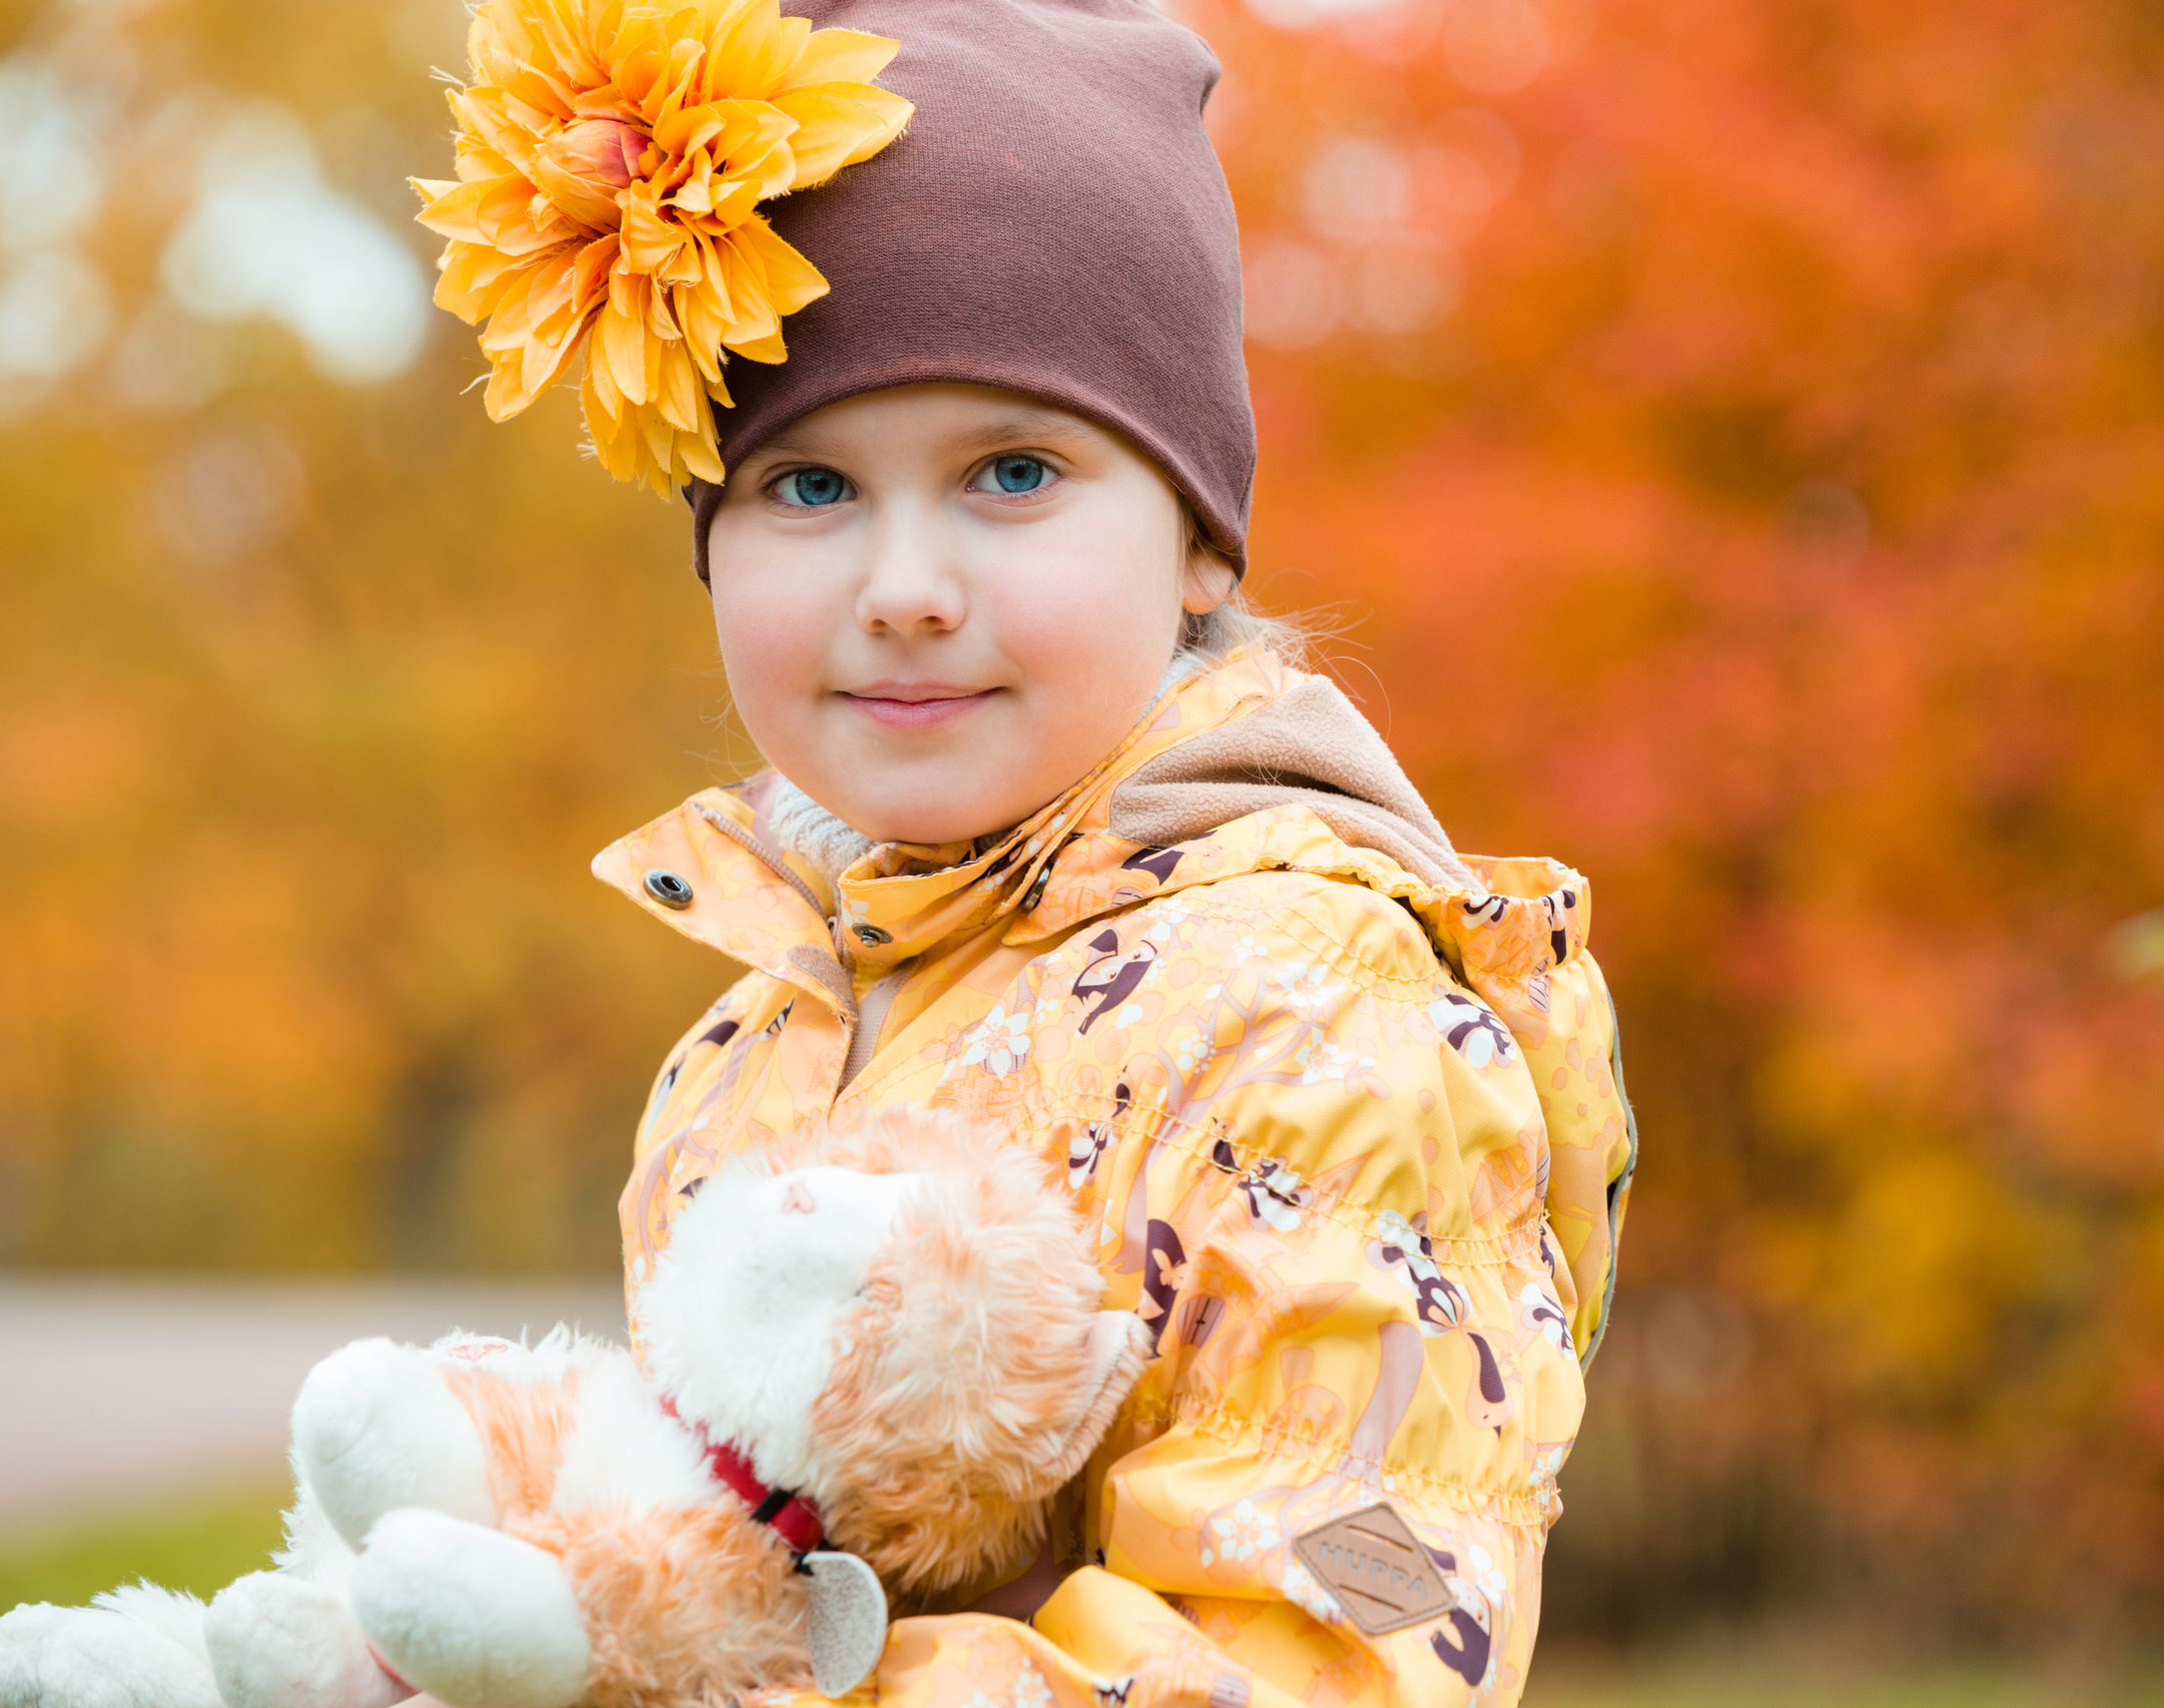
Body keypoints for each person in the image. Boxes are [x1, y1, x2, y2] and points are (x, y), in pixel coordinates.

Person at [540, 2, 1633, 1706]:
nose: (902, 584)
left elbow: (1344, 1632)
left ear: (1197, 539)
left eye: (1012, 469)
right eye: (808, 486)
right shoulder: (755, 1037)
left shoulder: (1311, 1015)